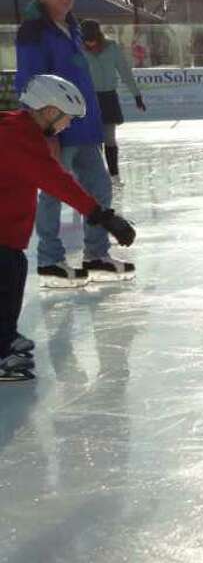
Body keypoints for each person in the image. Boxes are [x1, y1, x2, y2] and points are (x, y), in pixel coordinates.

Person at [0, 75, 136, 382]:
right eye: (67, 119)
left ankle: (5, 336)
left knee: (13, 276)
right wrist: (102, 216)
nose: (68, 126)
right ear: (49, 111)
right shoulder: (18, 138)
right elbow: (57, 181)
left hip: (8, 235)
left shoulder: (20, 129)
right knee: (5, 281)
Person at [15, 0, 135, 286]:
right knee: (53, 193)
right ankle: (50, 261)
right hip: (58, 130)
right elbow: (29, 81)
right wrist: (45, 133)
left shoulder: (73, 27)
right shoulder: (34, 32)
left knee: (99, 188)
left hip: (85, 128)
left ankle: (96, 254)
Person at [80, 20, 146, 181]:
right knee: (93, 139)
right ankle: (97, 174)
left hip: (108, 97)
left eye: (92, 36)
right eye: (86, 37)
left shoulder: (111, 48)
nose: (90, 41)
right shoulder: (77, 49)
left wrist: (136, 95)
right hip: (88, 98)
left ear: (98, 33)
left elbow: (125, 72)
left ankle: (114, 173)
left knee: (109, 137)